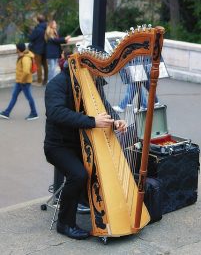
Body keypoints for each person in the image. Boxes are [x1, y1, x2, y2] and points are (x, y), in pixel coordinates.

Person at [44, 60, 127, 240]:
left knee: (102, 167)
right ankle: (64, 223)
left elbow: (104, 107)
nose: (96, 74)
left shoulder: (92, 83)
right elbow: (55, 112)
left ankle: (89, 204)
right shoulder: (57, 84)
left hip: (82, 144)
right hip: (58, 146)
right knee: (79, 175)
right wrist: (92, 122)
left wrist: (116, 120)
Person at [0, 43, 38, 120]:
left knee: (29, 97)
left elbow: (26, 71)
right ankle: (7, 112)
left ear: (18, 49)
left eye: (16, 48)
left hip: (24, 82)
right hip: (20, 81)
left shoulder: (25, 58)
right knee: (14, 96)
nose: (16, 49)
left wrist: (22, 81)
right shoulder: (23, 56)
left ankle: (34, 113)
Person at [28, 14, 48, 85]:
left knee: (38, 65)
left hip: (38, 49)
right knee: (45, 65)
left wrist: (30, 33)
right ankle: (46, 79)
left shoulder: (38, 29)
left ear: (38, 20)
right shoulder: (47, 27)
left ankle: (39, 81)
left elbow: (31, 38)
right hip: (45, 49)